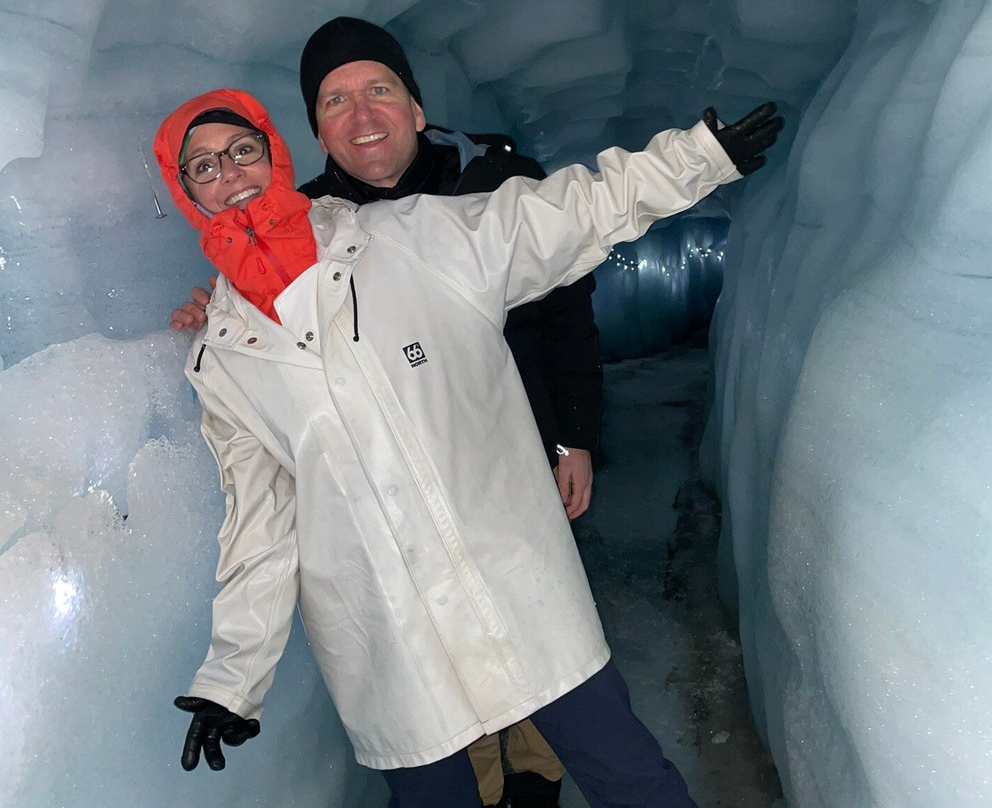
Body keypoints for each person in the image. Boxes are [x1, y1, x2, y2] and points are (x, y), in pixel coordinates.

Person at [154, 86, 781, 808]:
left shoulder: (412, 237)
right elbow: (258, 529)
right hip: (387, 638)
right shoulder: (222, 358)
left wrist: (697, 160)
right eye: (203, 166)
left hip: (512, 581)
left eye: (242, 150)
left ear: (277, 154)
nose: (230, 173)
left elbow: (565, 214)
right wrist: (232, 679)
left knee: (629, 776)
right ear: (186, 192)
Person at [171, 20, 601, 804]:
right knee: (446, 651)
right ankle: (484, 780)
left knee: (534, 637)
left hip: (516, 454)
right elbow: (270, 305)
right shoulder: (311, 221)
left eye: (378, 90)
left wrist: (573, 436)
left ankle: (533, 780)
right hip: (405, 485)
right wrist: (220, 310)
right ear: (313, 130)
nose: (361, 115)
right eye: (336, 100)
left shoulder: (491, 176)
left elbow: (566, 311)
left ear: (415, 101)